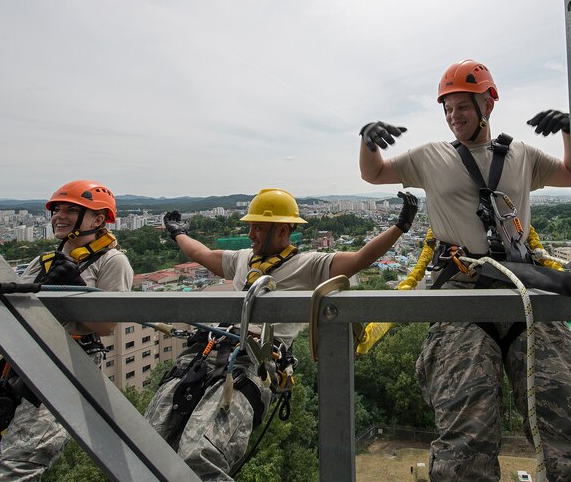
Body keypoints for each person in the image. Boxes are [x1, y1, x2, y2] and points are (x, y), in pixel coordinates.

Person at [358, 59, 571, 482]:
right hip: (461, 291)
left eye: (462, 106)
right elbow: (374, 173)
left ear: (487, 104)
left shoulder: (521, 155)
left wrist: (570, 129)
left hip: (519, 289)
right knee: (467, 429)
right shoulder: (431, 156)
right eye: (447, 108)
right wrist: (369, 141)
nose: (453, 116)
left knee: (565, 412)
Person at [145, 187, 417, 481]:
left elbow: (359, 259)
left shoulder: (308, 265)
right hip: (206, 352)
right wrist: (178, 234)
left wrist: (400, 226)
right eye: (250, 227)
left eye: (258, 228)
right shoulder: (241, 259)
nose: (251, 235)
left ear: (283, 229)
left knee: (199, 456)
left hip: (252, 364)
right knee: (148, 441)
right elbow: (202, 254)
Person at [0, 179, 133, 481]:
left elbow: (107, 326)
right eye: (57, 209)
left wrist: (75, 286)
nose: (60, 215)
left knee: (18, 466)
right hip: (14, 357)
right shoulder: (44, 260)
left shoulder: (113, 261)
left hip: (69, 361)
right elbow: (10, 305)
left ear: (98, 220)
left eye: (72, 210)